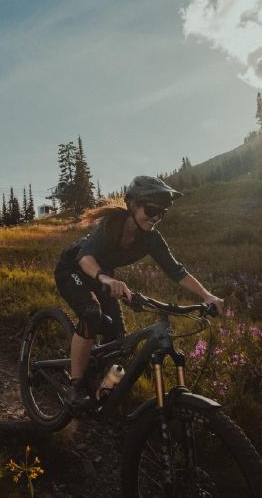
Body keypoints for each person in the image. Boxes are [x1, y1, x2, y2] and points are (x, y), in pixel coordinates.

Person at [55, 175, 223, 411]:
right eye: (151, 209)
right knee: (91, 314)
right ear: (132, 205)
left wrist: (207, 296)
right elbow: (85, 258)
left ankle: (101, 398)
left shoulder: (151, 239)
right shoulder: (112, 225)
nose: (156, 217)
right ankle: (75, 386)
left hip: (102, 276)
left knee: (120, 343)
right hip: (73, 269)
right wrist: (106, 278)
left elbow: (177, 272)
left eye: (161, 213)